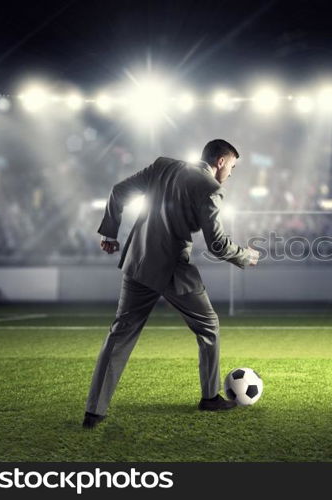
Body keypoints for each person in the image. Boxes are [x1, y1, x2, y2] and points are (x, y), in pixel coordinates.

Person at [82, 139, 259, 429]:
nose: (231, 174)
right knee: (209, 326)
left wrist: (110, 233)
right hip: (172, 269)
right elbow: (216, 245)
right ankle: (210, 397)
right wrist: (245, 256)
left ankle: (94, 412)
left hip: (137, 262)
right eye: (233, 167)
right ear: (221, 162)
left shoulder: (163, 165)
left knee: (120, 334)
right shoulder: (211, 190)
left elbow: (118, 191)